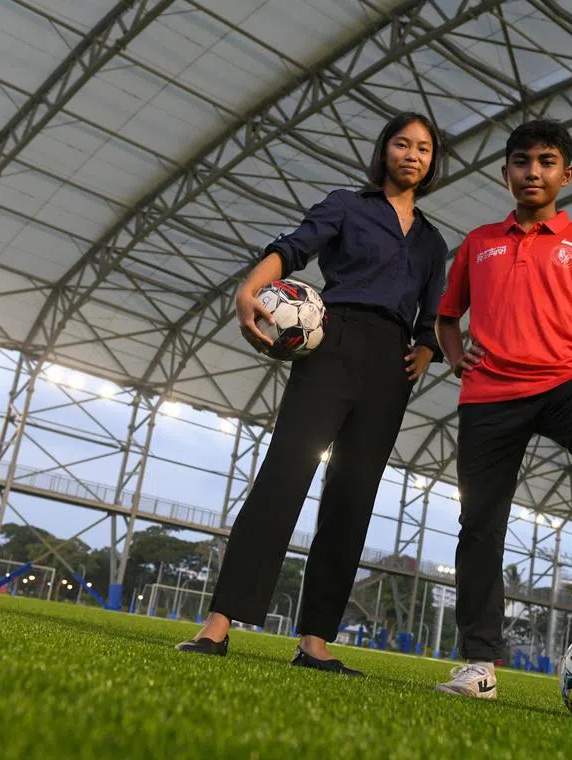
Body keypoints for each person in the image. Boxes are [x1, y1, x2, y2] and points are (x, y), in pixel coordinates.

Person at [176, 112, 448, 677]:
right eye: (402, 143)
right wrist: (249, 287)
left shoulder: (432, 241)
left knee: (352, 500)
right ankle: (219, 624)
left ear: (432, 161)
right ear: (385, 151)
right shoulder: (347, 205)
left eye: (423, 148)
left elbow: (433, 311)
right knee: (283, 476)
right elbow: (294, 247)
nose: (412, 154)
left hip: (390, 366)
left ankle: (316, 641)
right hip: (333, 344)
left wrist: (425, 348)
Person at [432, 119, 572, 700]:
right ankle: (479, 666)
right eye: (522, 161)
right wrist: (456, 359)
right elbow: (446, 316)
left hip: (564, 380)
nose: (533, 171)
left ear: (566, 174)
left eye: (546, 161)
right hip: (489, 394)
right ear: (505, 173)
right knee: (479, 526)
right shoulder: (479, 242)